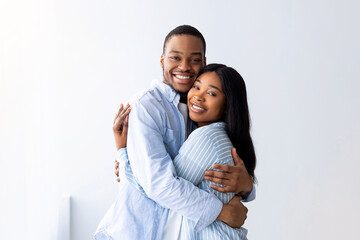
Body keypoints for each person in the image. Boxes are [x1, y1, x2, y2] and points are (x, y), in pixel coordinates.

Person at [94, 25, 255, 240]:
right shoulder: (146, 106)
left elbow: (178, 181)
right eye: (175, 58)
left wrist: (246, 186)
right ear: (162, 60)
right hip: (136, 231)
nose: (185, 67)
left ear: (204, 63)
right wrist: (223, 212)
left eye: (194, 60)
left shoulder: (200, 115)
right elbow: (159, 185)